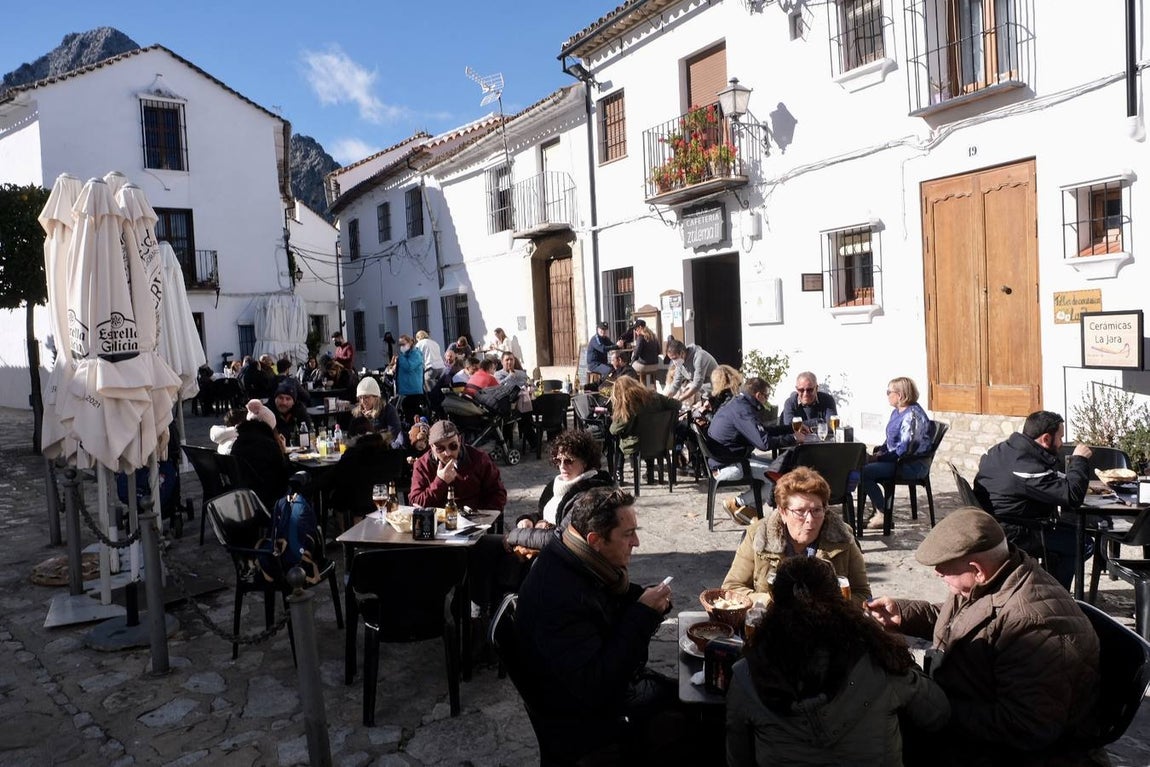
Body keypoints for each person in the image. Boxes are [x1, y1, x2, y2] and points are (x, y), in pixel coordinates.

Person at [866, 508, 1101, 766]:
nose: (938, 574)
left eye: (944, 570)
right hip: (967, 704)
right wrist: (903, 614)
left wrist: (934, 707)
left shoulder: (1034, 626)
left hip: (1008, 751)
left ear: (977, 570)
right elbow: (964, 618)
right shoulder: (998, 574)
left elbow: (1026, 727)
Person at [726, 557, 949, 767]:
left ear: (774, 604)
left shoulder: (747, 674)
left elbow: (737, 758)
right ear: (839, 599)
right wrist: (903, 662)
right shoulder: (879, 659)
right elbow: (937, 713)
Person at [515, 487, 678, 764]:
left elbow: (609, 602)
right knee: (702, 714)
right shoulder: (561, 594)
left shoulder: (576, 556)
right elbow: (599, 683)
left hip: (587, 695)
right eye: (628, 535)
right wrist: (642, 614)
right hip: (584, 720)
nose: (636, 542)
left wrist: (646, 601)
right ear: (595, 540)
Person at [973, 410, 1092, 589]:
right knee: (1082, 542)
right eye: (1060, 437)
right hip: (1015, 532)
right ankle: (1055, 594)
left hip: (998, 524)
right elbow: (1072, 496)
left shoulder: (1006, 449)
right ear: (1045, 439)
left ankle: (1043, 582)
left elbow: (1042, 477)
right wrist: (1079, 460)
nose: (1061, 443)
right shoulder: (1025, 467)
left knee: (1067, 532)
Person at [721, 466, 870, 606]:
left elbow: (863, 593)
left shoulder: (842, 536)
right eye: (800, 511)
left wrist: (829, 606)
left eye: (817, 510)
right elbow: (731, 588)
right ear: (783, 512)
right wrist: (770, 601)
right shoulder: (759, 534)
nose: (810, 519)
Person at [504, 429, 617, 557]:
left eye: (568, 461)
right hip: (546, 550)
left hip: (566, 561)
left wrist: (515, 535)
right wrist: (529, 519)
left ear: (585, 462)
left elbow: (560, 537)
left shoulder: (590, 493)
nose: (562, 466)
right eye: (559, 461)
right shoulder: (557, 485)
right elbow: (547, 514)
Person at [706, 378, 798, 520]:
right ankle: (737, 503)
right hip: (729, 465)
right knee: (783, 476)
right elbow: (764, 443)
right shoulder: (744, 411)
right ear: (758, 395)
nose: (766, 400)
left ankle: (749, 510)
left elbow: (761, 430)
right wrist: (795, 439)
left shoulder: (736, 404)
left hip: (724, 460)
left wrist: (790, 429)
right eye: (766, 396)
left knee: (778, 470)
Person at [860, 376, 933, 530]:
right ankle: (879, 509)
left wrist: (879, 458)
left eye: (889, 391)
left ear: (899, 395)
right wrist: (881, 451)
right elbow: (892, 441)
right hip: (899, 460)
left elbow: (904, 449)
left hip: (911, 465)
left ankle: (883, 513)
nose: (887, 395)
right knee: (861, 465)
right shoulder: (898, 411)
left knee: (864, 472)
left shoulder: (911, 416)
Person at [409, 420, 507, 511]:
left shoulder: (479, 459)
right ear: (431, 447)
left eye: (453, 446)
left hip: (473, 520)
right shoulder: (422, 465)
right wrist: (440, 482)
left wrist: (484, 515)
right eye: (440, 449)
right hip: (437, 522)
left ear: (459, 441)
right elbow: (416, 502)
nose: (448, 453)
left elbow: (498, 492)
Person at [323, 415, 391, 527]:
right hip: (381, 494)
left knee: (337, 496)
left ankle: (345, 534)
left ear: (351, 435)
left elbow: (335, 476)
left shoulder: (352, 453)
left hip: (354, 499)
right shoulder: (385, 448)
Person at [608, 375, 680, 464]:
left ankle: (619, 471)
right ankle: (650, 472)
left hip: (637, 446)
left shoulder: (628, 405)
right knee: (648, 435)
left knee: (616, 440)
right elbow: (677, 404)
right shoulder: (654, 396)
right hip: (660, 442)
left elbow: (614, 430)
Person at [230, 416, 291, 513]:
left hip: (240, 498)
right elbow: (284, 475)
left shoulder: (237, 443)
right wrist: (283, 452)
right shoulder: (268, 444)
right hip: (267, 498)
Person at [351, 376, 404, 449]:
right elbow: (351, 436)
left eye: (367, 397)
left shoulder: (388, 410)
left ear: (376, 397)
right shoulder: (358, 413)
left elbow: (393, 435)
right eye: (360, 397)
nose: (363, 401)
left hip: (383, 451)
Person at [663, 338, 717, 403]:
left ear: (682, 353)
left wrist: (679, 400)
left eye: (675, 358)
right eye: (671, 359)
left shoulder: (699, 356)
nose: (674, 362)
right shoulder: (680, 364)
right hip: (705, 395)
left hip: (716, 392)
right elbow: (676, 384)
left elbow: (697, 384)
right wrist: (665, 399)